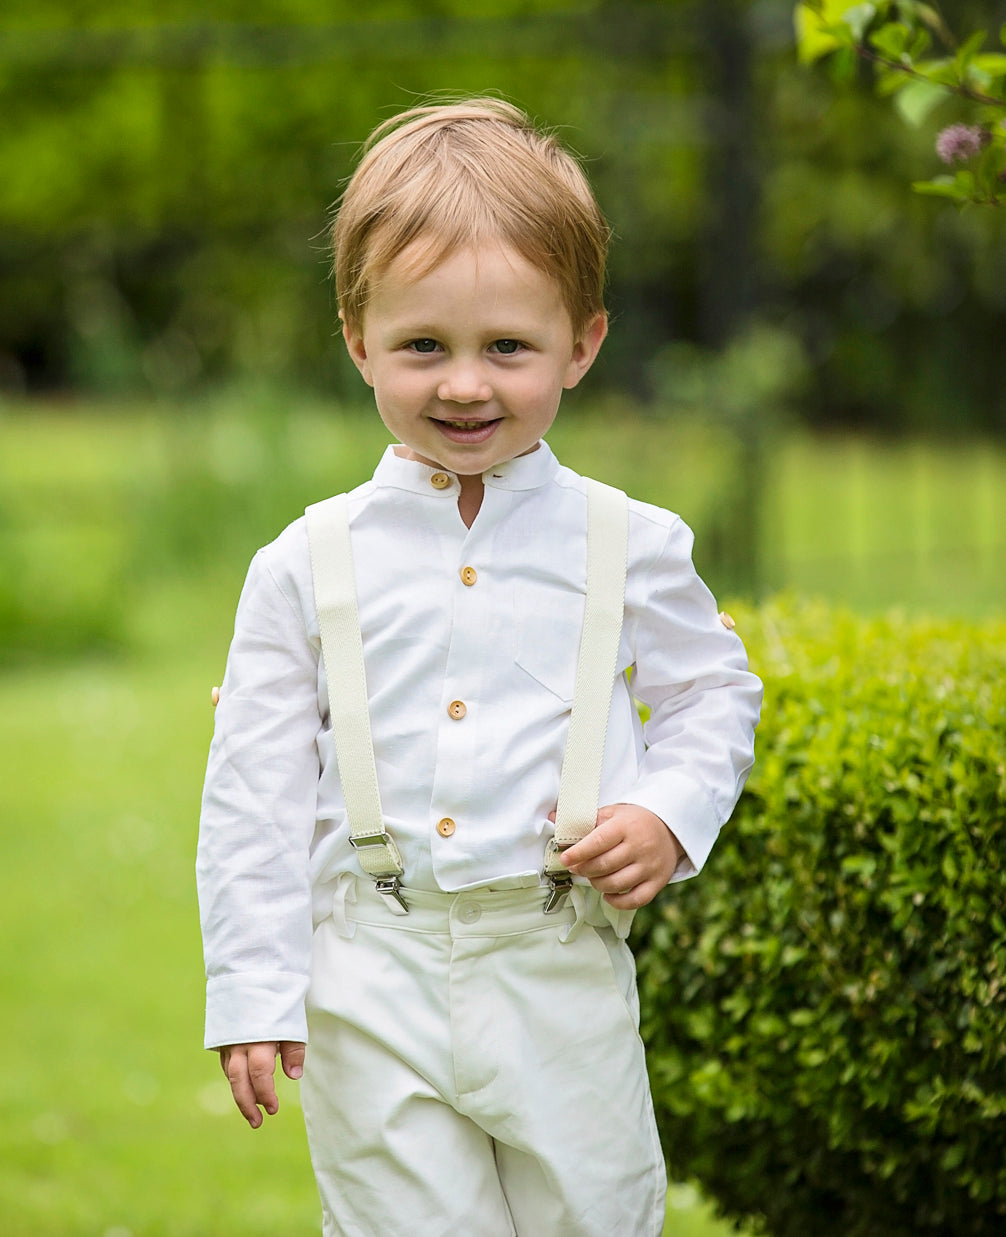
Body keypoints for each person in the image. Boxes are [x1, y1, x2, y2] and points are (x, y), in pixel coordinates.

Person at [197, 97, 762, 1237]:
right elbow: (251, 789)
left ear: (582, 344)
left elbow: (713, 696)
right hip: (369, 968)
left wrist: (663, 810)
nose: (464, 384)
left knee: (594, 1218)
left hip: (555, 962)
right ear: (358, 340)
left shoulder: (627, 543)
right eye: (422, 347)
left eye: (507, 346)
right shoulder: (304, 564)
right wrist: (252, 989)